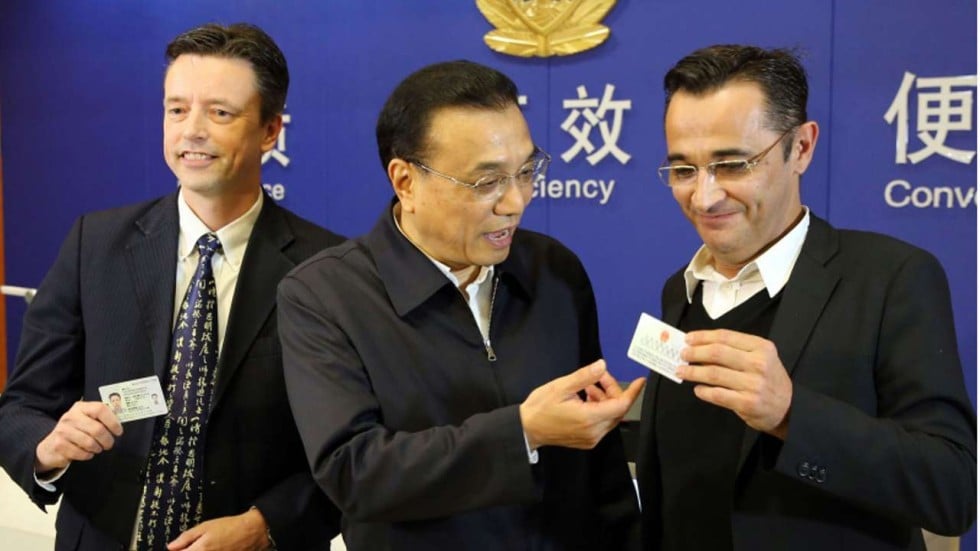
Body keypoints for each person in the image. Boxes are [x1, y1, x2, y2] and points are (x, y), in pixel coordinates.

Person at [0, 23, 344, 550]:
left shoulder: (327, 268)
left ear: (271, 130)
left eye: (220, 113)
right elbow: (21, 407)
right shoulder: (96, 243)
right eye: (177, 109)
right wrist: (46, 447)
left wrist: (265, 525)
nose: (192, 131)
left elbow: (350, 449)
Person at [278, 60, 644, 550]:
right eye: (487, 182)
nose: (515, 201)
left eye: (527, 171)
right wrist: (522, 433)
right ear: (405, 181)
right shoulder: (325, 294)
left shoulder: (554, 270)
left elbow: (602, 474)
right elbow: (354, 470)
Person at [636, 44, 977, 550]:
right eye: (684, 170)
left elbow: (952, 490)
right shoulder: (681, 290)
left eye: (732, 164)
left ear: (801, 147)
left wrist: (791, 413)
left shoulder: (891, 279)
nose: (703, 196)